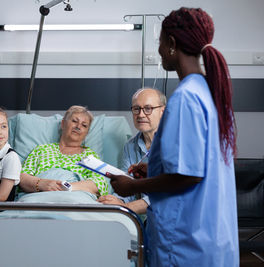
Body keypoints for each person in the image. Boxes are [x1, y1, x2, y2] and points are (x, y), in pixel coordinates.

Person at [108, 8, 239, 266]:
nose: (158, 50)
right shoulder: (210, 91)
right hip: (212, 232)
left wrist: (132, 186)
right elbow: (201, 164)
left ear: (171, 44)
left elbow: (188, 175)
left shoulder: (185, 98)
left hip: (185, 239)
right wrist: (155, 169)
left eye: (159, 42)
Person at [98, 88, 166, 214]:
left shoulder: (174, 143)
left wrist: (127, 207)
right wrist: (116, 201)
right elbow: (127, 185)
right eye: (136, 109)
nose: (140, 114)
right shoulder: (130, 146)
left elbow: (169, 191)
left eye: (148, 108)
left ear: (162, 111)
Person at [20, 105, 109, 197]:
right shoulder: (42, 150)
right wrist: (41, 183)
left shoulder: (90, 156)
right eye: (74, 121)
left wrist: (66, 187)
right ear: (63, 124)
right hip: (40, 196)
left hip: (75, 198)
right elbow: (22, 177)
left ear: (86, 133)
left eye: (84, 125)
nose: (78, 126)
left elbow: (99, 183)